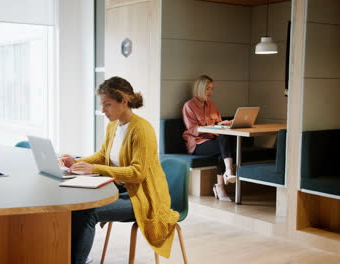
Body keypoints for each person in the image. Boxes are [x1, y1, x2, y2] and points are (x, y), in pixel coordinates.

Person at [60, 76, 179, 264]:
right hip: (123, 190)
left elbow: (137, 173)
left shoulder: (142, 130)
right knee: (76, 207)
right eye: (102, 104)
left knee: (88, 212)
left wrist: (95, 168)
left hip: (144, 199)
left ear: (123, 101)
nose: (103, 110)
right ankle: (69, 258)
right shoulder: (113, 126)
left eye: (107, 105)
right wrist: (76, 162)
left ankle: (77, 261)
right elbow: (102, 155)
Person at [182, 74, 236, 202]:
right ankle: (226, 176)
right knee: (223, 148)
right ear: (200, 88)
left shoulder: (212, 105)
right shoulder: (189, 106)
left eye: (212, 88)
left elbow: (217, 123)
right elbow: (192, 129)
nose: (210, 92)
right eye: (207, 88)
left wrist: (222, 124)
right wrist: (213, 126)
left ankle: (223, 182)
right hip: (197, 143)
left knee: (223, 142)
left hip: (212, 139)